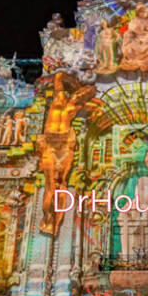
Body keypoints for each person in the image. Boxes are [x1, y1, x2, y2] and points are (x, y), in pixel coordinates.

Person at [38, 72, 96, 233]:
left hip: (64, 146)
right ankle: (47, 218)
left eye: (84, 96)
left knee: (60, 183)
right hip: (50, 144)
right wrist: (72, 80)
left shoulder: (77, 108)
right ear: (76, 91)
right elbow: (59, 77)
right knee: (50, 185)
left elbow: (98, 109)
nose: (81, 96)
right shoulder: (59, 98)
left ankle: (55, 222)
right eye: (81, 93)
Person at [119, 3, 148, 73]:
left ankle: (145, 62)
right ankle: (140, 62)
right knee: (129, 48)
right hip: (137, 43)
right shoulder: (134, 21)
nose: (145, 13)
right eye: (142, 11)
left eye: (146, 11)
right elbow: (129, 33)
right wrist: (129, 41)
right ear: (138, 12)